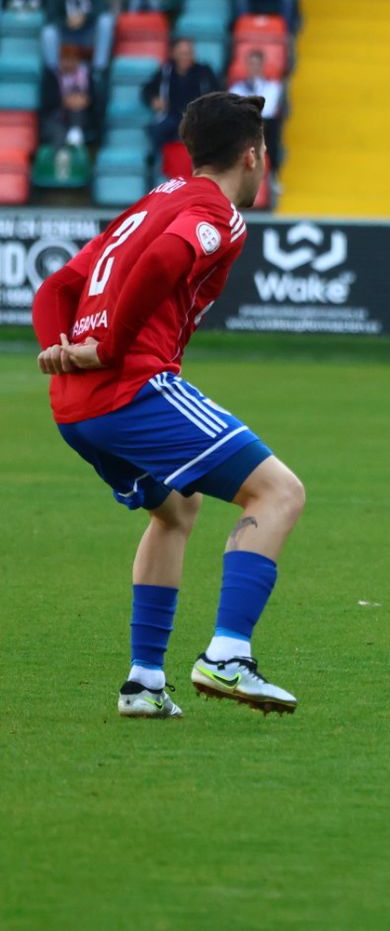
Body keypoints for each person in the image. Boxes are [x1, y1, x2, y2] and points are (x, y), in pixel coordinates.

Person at [31, 91, 305, 719]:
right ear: (252, 155)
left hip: (74, 405)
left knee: (177, 510)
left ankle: (144, 683)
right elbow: (165, 259)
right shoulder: (218, 211)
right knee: (279, 493)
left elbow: (57, 285)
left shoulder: (153, 200)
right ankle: (229, 656)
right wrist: (109, 348)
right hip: (129, 388)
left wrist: (60, 348)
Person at [142, 38, 222, 154]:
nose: (186, 57)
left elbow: (218, 92)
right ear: (174, 54)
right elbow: (147, 90)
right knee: (157, 131)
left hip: (197, 118)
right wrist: (154, 100)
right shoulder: (166, 71)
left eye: (189, 53)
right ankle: (158, 165)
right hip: (171, 116)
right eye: (183, 54)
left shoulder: (204, 71)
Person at [41, 0, 112, 72]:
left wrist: (84, 17)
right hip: (66, 31)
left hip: (88, 30)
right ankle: (53, 74)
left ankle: (99, 69)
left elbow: (101, 7)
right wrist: (66, 21)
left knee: (106, 20)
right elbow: (51, 16)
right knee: (48, 33)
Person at [229, 49, 285, 170]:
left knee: (269, 126)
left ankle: (272, 172)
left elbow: (269, 110)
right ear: (247, 65)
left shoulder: (274, 87)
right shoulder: (236, 88)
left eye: (257, 64)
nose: (254, 67)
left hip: (265, 127)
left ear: (263, 65)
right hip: (245, 127)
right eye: (251, 64)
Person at [40, 45, 97, 148]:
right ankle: (60, 157)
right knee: (58, 132)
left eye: (72, 59)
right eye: (65, 59)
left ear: (77, 61)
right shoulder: (52, 76)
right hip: (57, 117)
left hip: (81, 116)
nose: (68, 63)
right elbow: (49, 102)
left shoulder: (86, 75)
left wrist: (84, 100)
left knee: (77, 112)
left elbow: (93, 99)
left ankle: (76, 131)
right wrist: (65, 101)